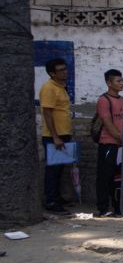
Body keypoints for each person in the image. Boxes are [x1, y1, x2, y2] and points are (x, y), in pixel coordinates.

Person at [95, 69, 123, 217]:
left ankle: (118, 206)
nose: (121, 83)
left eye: (122, 80)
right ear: (109, 83)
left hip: (121, 145)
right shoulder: (104, 100)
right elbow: (108, 123)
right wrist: (122, 139)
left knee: (119, 177)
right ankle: (103, 207)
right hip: (108, 144)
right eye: (118, 81)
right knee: (105, 176)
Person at [39, 58, 73, 214]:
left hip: (63, 133)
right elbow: (47, 113)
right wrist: (55, 137)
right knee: (53, 170)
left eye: (65, 69)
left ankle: (56, 197)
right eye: (60, 70)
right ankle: (51, 201)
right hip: (54, 136)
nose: (64, 72)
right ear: (52, 73)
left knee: (60, 170)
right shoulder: (49, 88)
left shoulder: (61, 87)